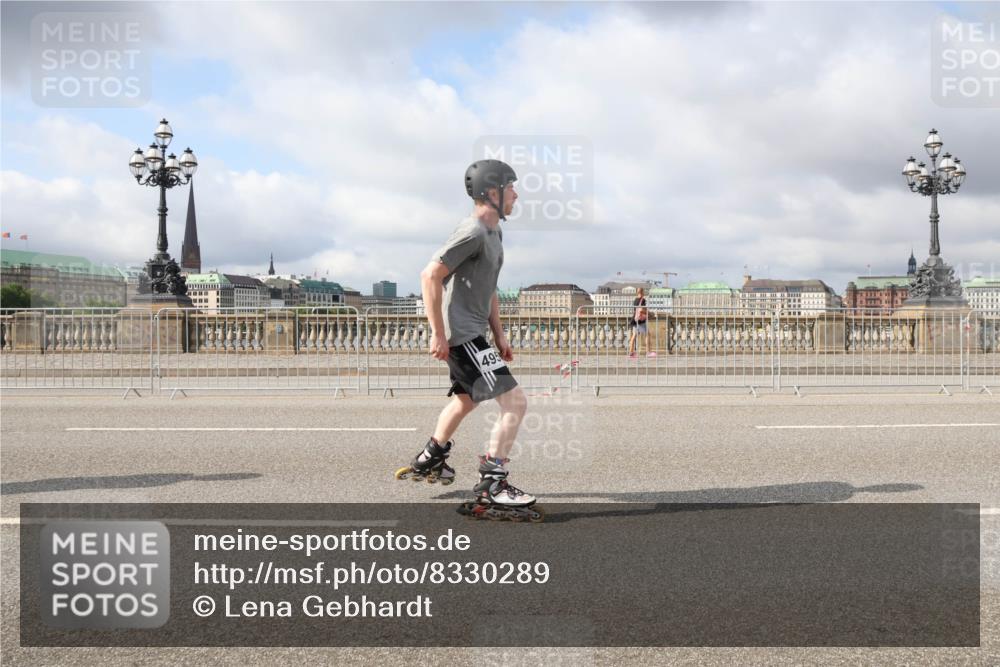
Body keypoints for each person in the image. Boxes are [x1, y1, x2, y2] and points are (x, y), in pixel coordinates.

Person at [394, 159, 542, 522]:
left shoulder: (494, 233)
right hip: (463, 335)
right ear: (492, 192)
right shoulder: (473, 231)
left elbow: (488, 287)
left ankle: (431, 458)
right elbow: (430, 275)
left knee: (465, 400)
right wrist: (438, 334)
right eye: (511, 187)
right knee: (516, 403)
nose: (516, 195)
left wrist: (500, 333)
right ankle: (493, 481)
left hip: (475, 332)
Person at [627, 287, 652, 358]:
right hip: (641, 321)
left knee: (634, 336)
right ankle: (648, 352)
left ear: (637, 292)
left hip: (635, 320)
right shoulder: (643, 300)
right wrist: (649, 313)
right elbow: (641, 310)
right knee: (647, 334)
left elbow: (636, 310)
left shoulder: (635, 300)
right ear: (642, 292)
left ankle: (631, 353)